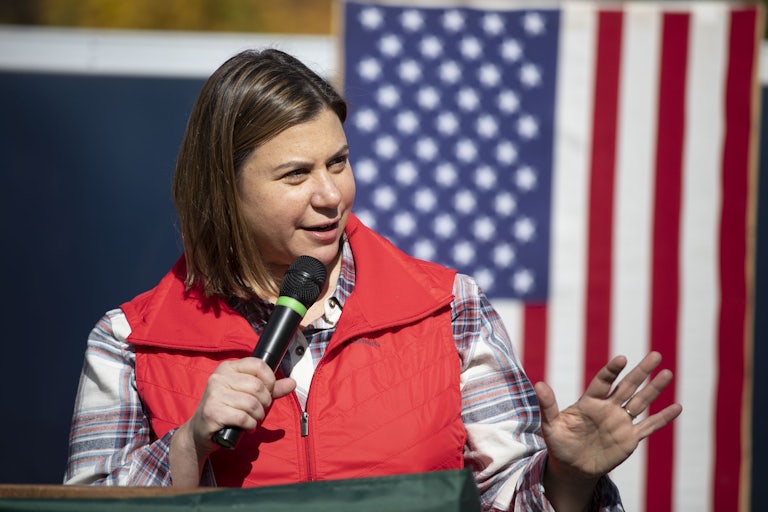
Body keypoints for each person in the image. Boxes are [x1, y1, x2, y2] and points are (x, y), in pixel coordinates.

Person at [64, 48, 682, 511]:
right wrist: (188, 446)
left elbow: (504, 501)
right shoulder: (129, 340)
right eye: (295, 174)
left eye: (339, 162)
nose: (331, 194)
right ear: (224, 190)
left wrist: (566, 478)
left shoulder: (449, 308)